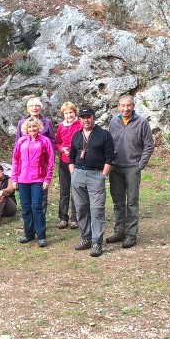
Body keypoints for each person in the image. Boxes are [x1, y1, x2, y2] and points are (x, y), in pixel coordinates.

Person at [107, 95, 155, 249]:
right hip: (115, 167)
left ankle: (131, 235)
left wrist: (140, 165)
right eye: (122, 105)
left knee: (132, 202)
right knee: (118, 202)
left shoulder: (142, 122)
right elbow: (109, 142)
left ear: (133, 106)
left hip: (133, 167)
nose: (125, 109)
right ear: (118, 106)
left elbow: (149, 145)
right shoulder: (114, 121)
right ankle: (119, 231)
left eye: (128, 105)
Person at [69, 107, 116, 257]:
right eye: (83, 117)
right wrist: (73, 173)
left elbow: (110, 157)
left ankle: (97, 242)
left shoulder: (104, 135)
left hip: (96, 174)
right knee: (81, 208)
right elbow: (71, 156)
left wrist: (103, 175)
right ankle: (86, 238)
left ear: (93, 118)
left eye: (88, 117)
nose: (86, 120)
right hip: (78, 174)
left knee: (96, 209)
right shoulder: (76, 135)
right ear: (80, 119)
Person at [11, 117, 54, 247]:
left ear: (38, 127)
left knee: (37, 207)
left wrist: (47, 178)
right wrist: (14, 178)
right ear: (25, 129)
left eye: (34, 126)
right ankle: (28, 234)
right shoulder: (21, 141)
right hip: (23, 179)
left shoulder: (45, 141)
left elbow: (50, 161)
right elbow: (15, 160)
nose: (32, 129)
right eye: (29, 127)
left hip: (38, 178)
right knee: (25, 208)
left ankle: (41, 236)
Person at [54, 101, 81, 230]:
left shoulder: (80, 124)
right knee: (64, 191)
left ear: (75, 113)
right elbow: (57, 142)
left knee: (76, 190)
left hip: (77, 162)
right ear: (63, 115)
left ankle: (75, 218)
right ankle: (63, 218)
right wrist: (62, 148)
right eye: (66, 113)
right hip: (64, 161)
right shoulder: (61, 127)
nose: (69, 115)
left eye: (71, 112)